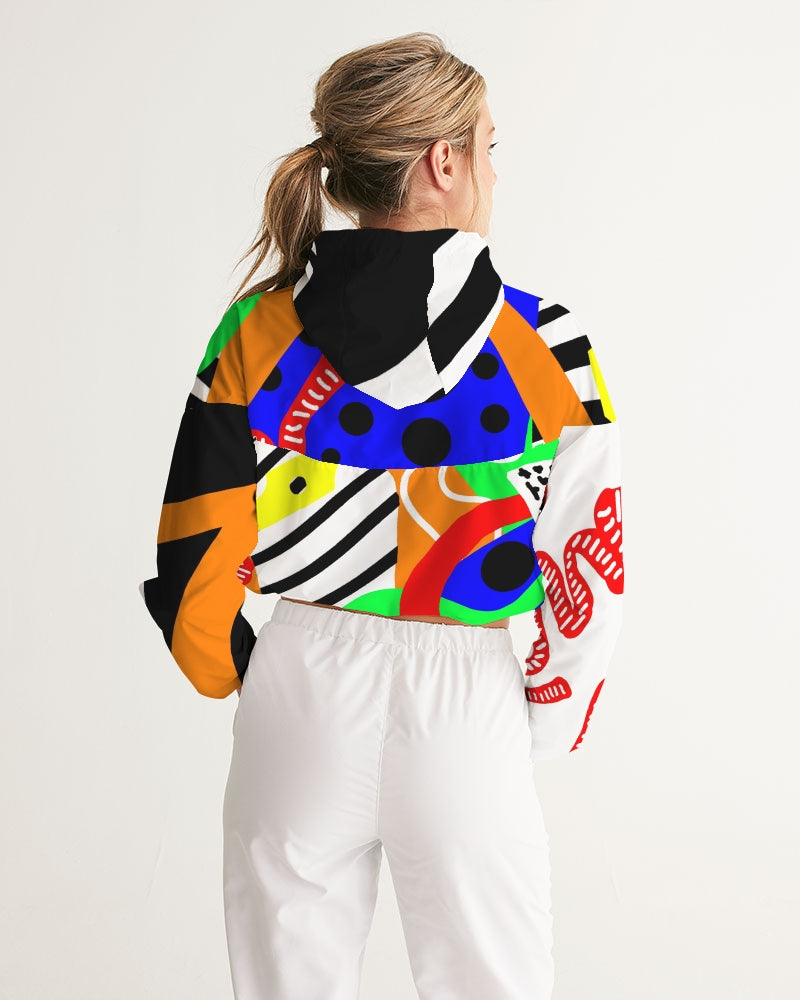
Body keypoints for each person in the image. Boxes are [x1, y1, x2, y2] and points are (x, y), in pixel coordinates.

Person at [138, 30, 624, 1000]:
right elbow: (586, 560)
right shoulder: (544, 342)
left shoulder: (256, 331)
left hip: (298, 690)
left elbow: (193, 544)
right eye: (489, 147)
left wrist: (236, 668)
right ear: (445, 162)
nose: (494, 171)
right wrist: (547, 712)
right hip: (470, 701)